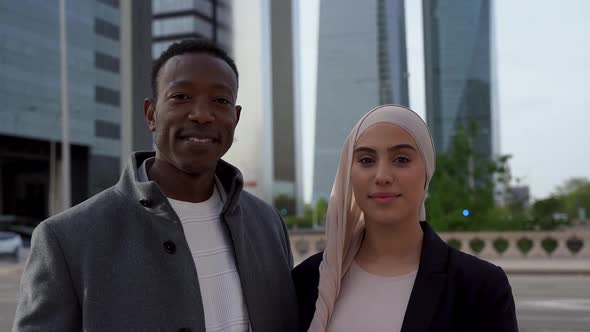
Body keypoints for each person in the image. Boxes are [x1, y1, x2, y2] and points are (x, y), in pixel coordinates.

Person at [13, 39, 298, 332]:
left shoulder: (267, 224)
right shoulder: (66, 239)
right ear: (151, 115)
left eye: (220, 101)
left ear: (235, 119)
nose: (201, 114)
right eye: (181, 96)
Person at [292, 104, 518, 332]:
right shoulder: (308, 281)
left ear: (427, 172)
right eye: (366, 160)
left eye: (401, 159)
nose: (382, 176)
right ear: (348, 173)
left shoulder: (479, 287)